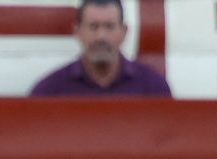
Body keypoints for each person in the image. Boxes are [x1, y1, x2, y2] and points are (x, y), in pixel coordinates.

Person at [29, 0, 170, 97]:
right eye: (93, 27)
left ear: (124, 32)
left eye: (109, 26)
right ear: (77, 31)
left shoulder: (153, 88)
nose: (101, 37)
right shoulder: (49, 91)